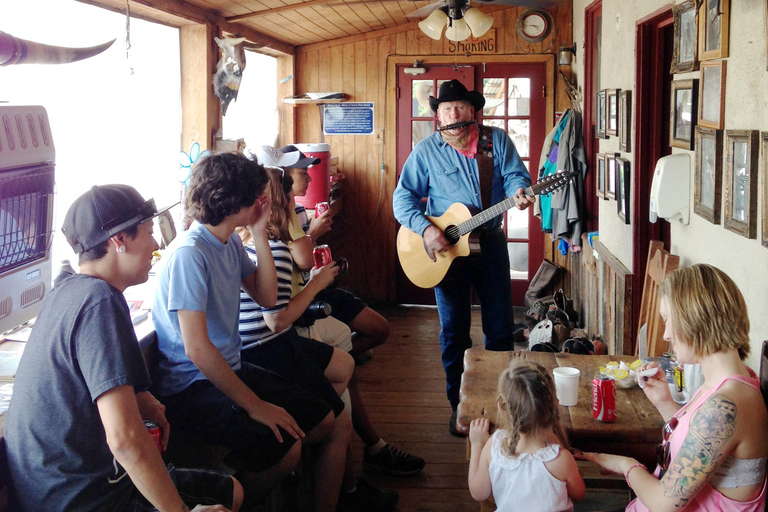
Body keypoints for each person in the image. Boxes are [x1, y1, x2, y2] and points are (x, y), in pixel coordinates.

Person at [4, 184, 243, 512]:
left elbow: (95, 376)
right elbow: (126, 440)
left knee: (233, 491)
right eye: (147, 232)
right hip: (80, 498)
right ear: (119, 241)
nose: (156, 245)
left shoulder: (70, 290)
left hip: (63, 486)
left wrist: (144, 400)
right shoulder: (99, 302)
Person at [150, 152, 350, 512]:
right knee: (287, 450)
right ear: (235, 201)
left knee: (323, 420)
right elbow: (196, 349)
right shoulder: (190, 254)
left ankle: (258, 486)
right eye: (257, 197)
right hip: (192, 385)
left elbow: (267, 296)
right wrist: (256, 406)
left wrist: (258, 232)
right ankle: (224, 497)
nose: (264, 202)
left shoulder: (228, 245)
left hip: (230, 367)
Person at [257, 145, 426, 478]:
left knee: (366, 342)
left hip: (313, 293)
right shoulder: (279, 226)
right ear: (282, 185)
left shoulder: (283, 221)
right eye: (301, 173)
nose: (307, 177)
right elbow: (298, 272)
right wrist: (312, 233)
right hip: (298, 312)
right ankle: (365, 458)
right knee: (343, 385)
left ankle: (365, 453)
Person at [238, 166, 400, 511]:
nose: (308, 181)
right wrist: (317, 283)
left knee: (344, 364)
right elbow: (276, 320)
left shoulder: (243, 243)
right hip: (266, 349)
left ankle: (338, 467)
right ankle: (333, 472)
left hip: (251, 346)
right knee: (337, 420)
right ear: (276, 202)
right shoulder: (275, 250)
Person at [392, 79, 536, 435]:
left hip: (491, 246)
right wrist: (426, 230)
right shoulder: (425, 151)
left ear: (473, 112)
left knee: (500, 331)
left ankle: (504, 405)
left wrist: (519, 189)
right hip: (445, 255)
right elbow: (403, 198)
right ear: (437, 114)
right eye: (446, 108)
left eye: (460, 107)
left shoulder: (495, 141)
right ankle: (460, 407)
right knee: (454, 332)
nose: (453, 113)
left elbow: (518, 175)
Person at [577, 264, 768, 512]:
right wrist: (665, 404)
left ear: (695, 319)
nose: (666, 335)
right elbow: (700, 444)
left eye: (667, 320)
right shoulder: (728, 382)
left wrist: (626, 465)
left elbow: (663, 504)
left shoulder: (726, 405)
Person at [468, 359, 585, 510]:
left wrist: (477, 445)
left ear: (502, 408)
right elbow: (578, 494)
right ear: (555, 404)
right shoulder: (561, 460)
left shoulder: (494, 446)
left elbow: (478, 493)